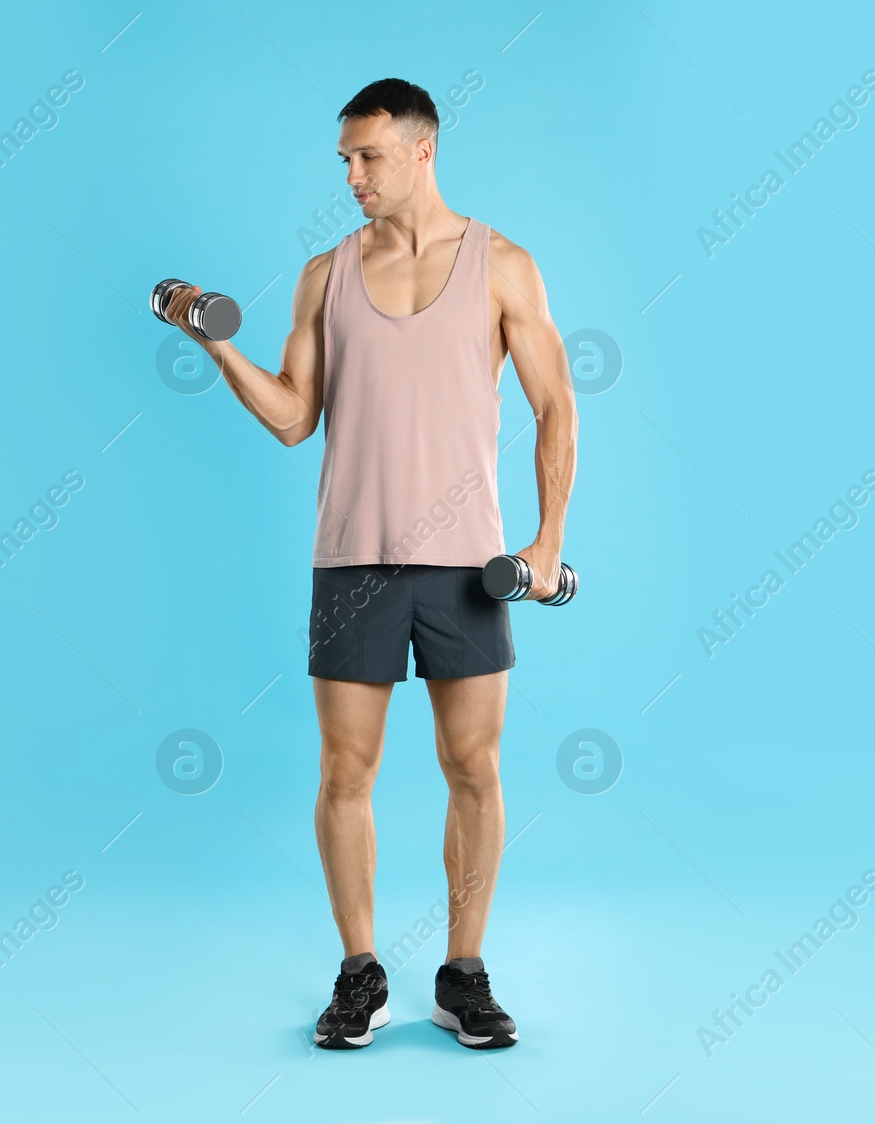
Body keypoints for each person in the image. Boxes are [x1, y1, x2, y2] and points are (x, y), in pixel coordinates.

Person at [160, 77, 577, 1050]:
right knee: (346, 769)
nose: (351, 176)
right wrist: (214, 344)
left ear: (423, 150)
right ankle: (360, 973)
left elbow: (556, 406)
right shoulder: (324, 275)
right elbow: (294, 417)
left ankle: (462, 973)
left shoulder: (503, 266)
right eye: (344, 160)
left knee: (472, 765)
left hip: (469, 567)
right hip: (351, 562)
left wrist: (547, 543)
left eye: (368, 157)